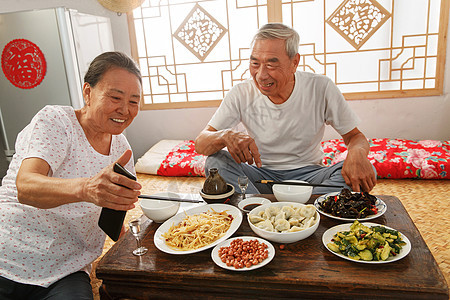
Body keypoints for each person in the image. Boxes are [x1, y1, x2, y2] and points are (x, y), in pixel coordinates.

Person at [0, 51, 142, 299]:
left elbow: (111, 220)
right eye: (115, 97)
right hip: (8, 257)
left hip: (66, 271)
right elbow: (26, 186)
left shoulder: (122, 149)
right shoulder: (56, 121)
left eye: (134, 101)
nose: (125, 109)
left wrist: (142, 245)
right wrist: (87, 189)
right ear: (88, 92)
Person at [195, 23, 376, 195]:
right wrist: (225, 136)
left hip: (310, 179)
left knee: (364, 171)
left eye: (271, 64)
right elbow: (201, 143)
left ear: (294, 62)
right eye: (255, 63)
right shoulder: (241, 92)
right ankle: (264, 208)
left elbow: (355, 137)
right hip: (260, 177)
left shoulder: (320, 87)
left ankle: (268, 210)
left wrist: (357, 153)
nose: (261, 75)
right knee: (216, 162)